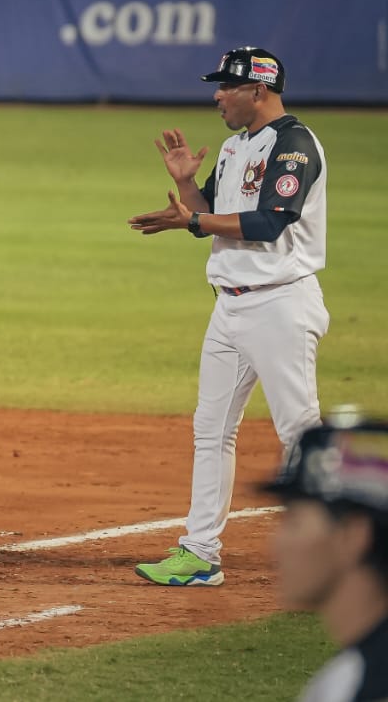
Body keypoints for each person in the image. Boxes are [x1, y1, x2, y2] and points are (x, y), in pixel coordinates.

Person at [129, 47, 329, 586]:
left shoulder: (293, 145)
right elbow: (210, 213)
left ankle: (352, 547)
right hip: (230, 305)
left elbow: (268, 222)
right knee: (211, 430)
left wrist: (193, 222)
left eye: (226, 86)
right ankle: (200, 553)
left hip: (280, 304)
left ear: (257, 91)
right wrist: (187, 187)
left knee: (301, 433)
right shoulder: (236, 145)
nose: (217, 96)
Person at [262, 417, 388, 702]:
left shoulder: (360, 686)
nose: (276, 542)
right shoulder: (345, 677)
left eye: (293, 521)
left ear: (353, 536)